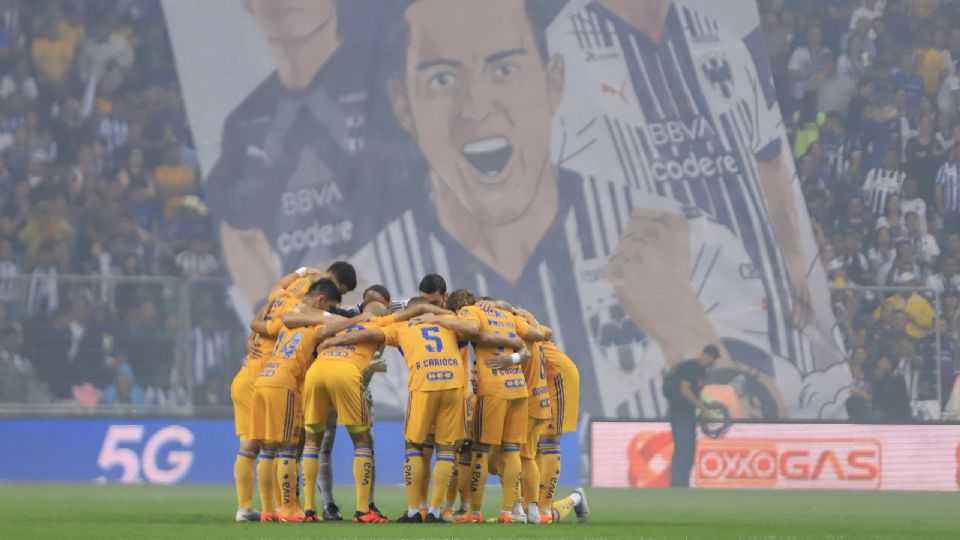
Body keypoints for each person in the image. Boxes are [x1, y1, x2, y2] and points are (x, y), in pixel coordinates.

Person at [249, 278, 342, 523]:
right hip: (284, 383)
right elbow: (331, 326)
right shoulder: (316, 323)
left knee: (268, 449)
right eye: (330, 306)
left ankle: (270, 509)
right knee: (288, 448)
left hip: (264, 379)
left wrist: (257, 327)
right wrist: (332, 318)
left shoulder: (286, 319)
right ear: (322, 301)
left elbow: (257, 325)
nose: (330, 312)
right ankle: (289, 509)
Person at [663, 344, 720, 488]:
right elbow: (685, 390)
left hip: (689, 414)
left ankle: (684, 485)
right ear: (706, 355)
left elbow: (696, 394)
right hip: (679, 412)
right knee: (683, 449)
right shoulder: (690, 367)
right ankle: (676, 485)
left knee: (689, 451)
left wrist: (702, 411)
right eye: (711, 358)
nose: (712, 362)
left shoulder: (702, 373)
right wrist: (703, 408)